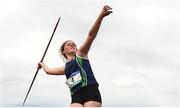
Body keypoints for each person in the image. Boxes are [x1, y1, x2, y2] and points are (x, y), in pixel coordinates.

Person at [38, 5, 112, 107]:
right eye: (69, 44)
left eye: (74, 44)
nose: (72, 44)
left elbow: (91, 35)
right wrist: (41, 64)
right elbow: (48, 71)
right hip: (75, 96)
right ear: (64, 51)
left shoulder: (81, 55)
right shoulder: (65, 68)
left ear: (77, 49)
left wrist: (101, 16)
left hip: (90, 91)